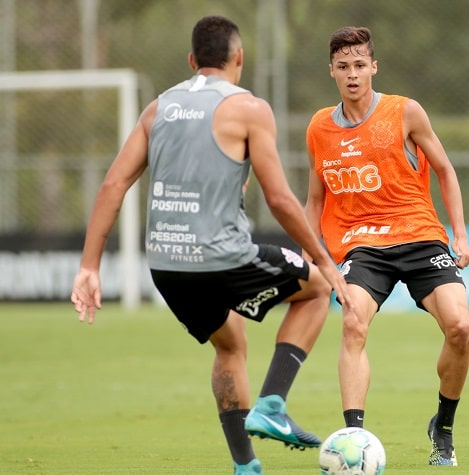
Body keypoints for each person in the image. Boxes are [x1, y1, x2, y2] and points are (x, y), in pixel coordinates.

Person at [71, 15, 353, 475]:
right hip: (220, 257)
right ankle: (273, 404)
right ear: (238, 58)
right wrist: (323, 259)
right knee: (318, 288)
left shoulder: (158, 108)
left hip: (165, 265)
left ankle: (245, 466)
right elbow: (280, 198)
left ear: (191, 61)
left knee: (230, 342)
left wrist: (89, 266)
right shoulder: (249, 107)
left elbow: (112, 185)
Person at [305, 26, 469, 467]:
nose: (353, 74)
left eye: (360, 65)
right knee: (353, 322)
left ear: (373, 67)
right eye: (344, 67)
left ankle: (444, 426)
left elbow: (445, 170)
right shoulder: (320, 128)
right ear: (332, 72)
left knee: (460, 329)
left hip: (420, 236)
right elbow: (316, 198)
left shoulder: (405, 112)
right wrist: (311, 251)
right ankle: (353, 442)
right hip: (363, 245)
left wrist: (459, 233)